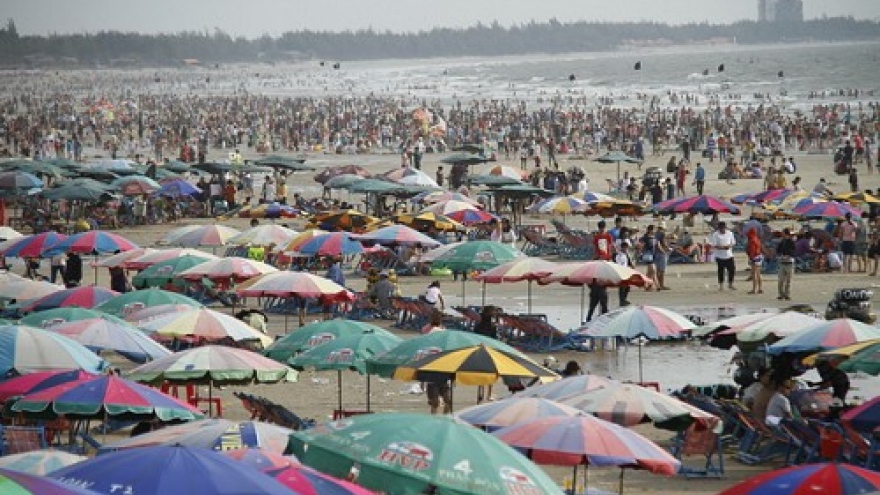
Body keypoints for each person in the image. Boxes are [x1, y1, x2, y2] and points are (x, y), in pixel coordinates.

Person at [473, 306, 499, 403]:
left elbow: (474, 338)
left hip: (480, 349)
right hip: (490, 350)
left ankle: (481, 393)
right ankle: (489, 394)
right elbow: (494, 340)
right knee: (492, 372)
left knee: (481, 371)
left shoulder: (478, 326)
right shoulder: (492, 327)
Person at [709, 221, 736, 291]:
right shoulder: (715, 234)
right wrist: (723, 247)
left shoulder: (730, 233)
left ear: (725, 228)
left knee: (732, 270)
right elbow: (714, 245)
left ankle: (730, 284)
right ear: (719, 228)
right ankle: (721, 285)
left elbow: (733, 242)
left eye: (723, 228)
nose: (722, 230)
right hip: (719, 256)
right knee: (721, 271)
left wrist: (729, 246)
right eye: (721, 229)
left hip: (729, 255)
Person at [776, 228, 796, 300]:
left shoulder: (791, 242)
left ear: (786, 234)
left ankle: (787, 294)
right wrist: (780, 256)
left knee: (788, 280)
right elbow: (778, 250)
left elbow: (794, 252)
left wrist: (788, 255)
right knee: (781, 280)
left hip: (789, 262)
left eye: (783, 233)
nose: (782, 234)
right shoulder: (781, 242)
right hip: (782, 262)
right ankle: (781, 294)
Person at [614, 240, 635, 306]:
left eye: (626, 248)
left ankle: (624, 299)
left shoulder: (627, 255)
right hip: (620, 272)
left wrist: (632, 266)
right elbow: (618, 264)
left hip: (626, 272)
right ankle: (622, 301)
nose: (626, 249)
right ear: (622, 248)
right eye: (624, 247)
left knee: (627, 287)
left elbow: (629, 263)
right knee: (622, 287)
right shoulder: (619, 255)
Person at [746, 229, 763, 294]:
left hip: (754, 257)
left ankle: (754, 289)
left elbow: (752, 250)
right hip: (759, 256)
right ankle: (760, 288)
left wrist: (751, 258)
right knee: (758, 273)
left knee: (754, 274)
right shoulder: (757, 239)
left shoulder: (752, 240)